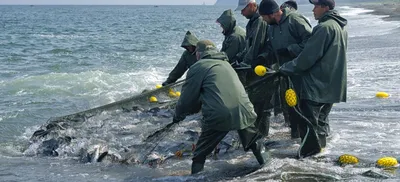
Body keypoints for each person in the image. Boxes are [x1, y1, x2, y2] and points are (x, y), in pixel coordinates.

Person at [173, 40, 269, 174]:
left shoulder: (198, 67)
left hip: (220, 115)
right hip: (245, 110)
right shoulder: (226, 64)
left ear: (199, 54)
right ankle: (269, 168)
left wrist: (177, 116)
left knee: (200, 154)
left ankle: (195, 178)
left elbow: (186, 100)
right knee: (255, 142)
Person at [279, 0, 348, 158]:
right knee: (321, 123)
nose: (313, 9)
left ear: (325, 7)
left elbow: (307, 58)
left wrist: (285, 69)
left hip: (317, 85)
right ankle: (320, 155)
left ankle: (309, 158)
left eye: (316, 6)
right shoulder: (340, 26)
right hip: (333, 85)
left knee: (309, 124)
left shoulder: (323, 28)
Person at [259, 0, 312, 139]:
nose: (263, 20)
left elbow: (311, 41)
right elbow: (271, 47)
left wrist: (290, 50)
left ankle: (311, 138)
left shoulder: (295, 20)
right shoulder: (271, 27)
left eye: (264, 17)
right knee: (290, 106)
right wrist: (263, 57)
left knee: (305, 105)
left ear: (272, 14)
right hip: (285, 72)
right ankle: (295, 137)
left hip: (301, 71)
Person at [236, 0, 272, 137]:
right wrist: (239, 58)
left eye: (243, 9)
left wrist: (244, 64)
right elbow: (248, 48)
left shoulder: (260, 22)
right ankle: (257, 135)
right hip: (253, 68)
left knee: (263, 105)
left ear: (252, 5)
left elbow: (256, 47)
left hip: (262, 69)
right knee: (255, 103)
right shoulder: (251, 22)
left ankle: (262, 136)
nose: (241, 12)